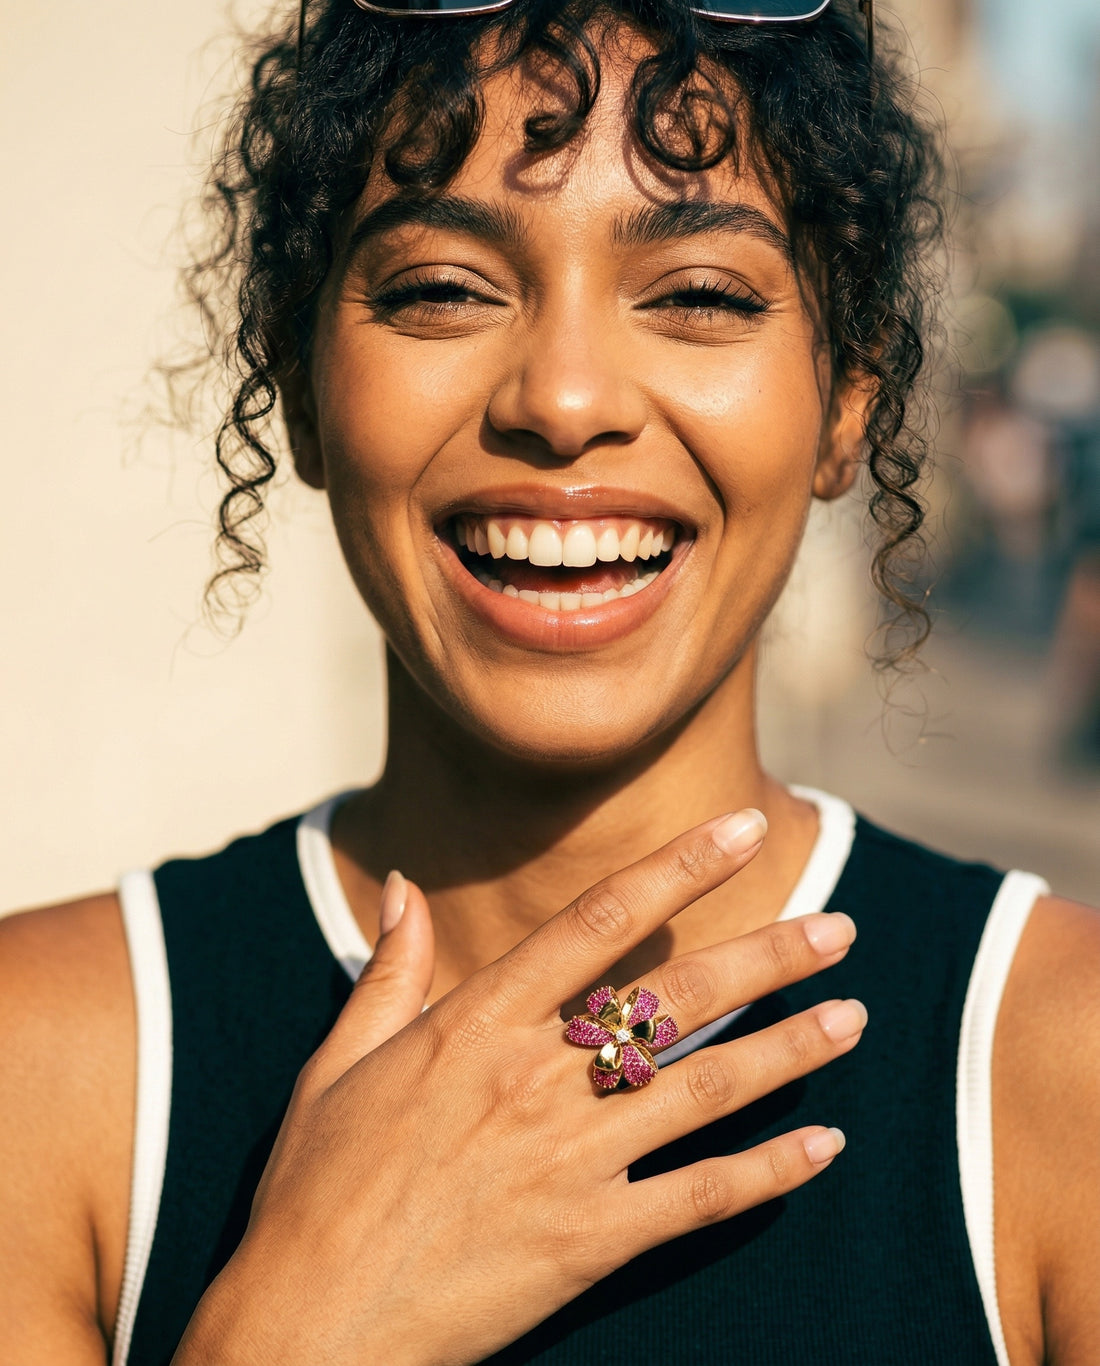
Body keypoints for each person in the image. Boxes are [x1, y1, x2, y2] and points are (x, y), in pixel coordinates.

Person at [1, 1, 1098, 1363]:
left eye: (700, 294)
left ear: (851, 389)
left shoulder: (1061, 1064)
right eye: (442, 290)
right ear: (296, 377)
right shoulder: (39, 1071)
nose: (565, 398)